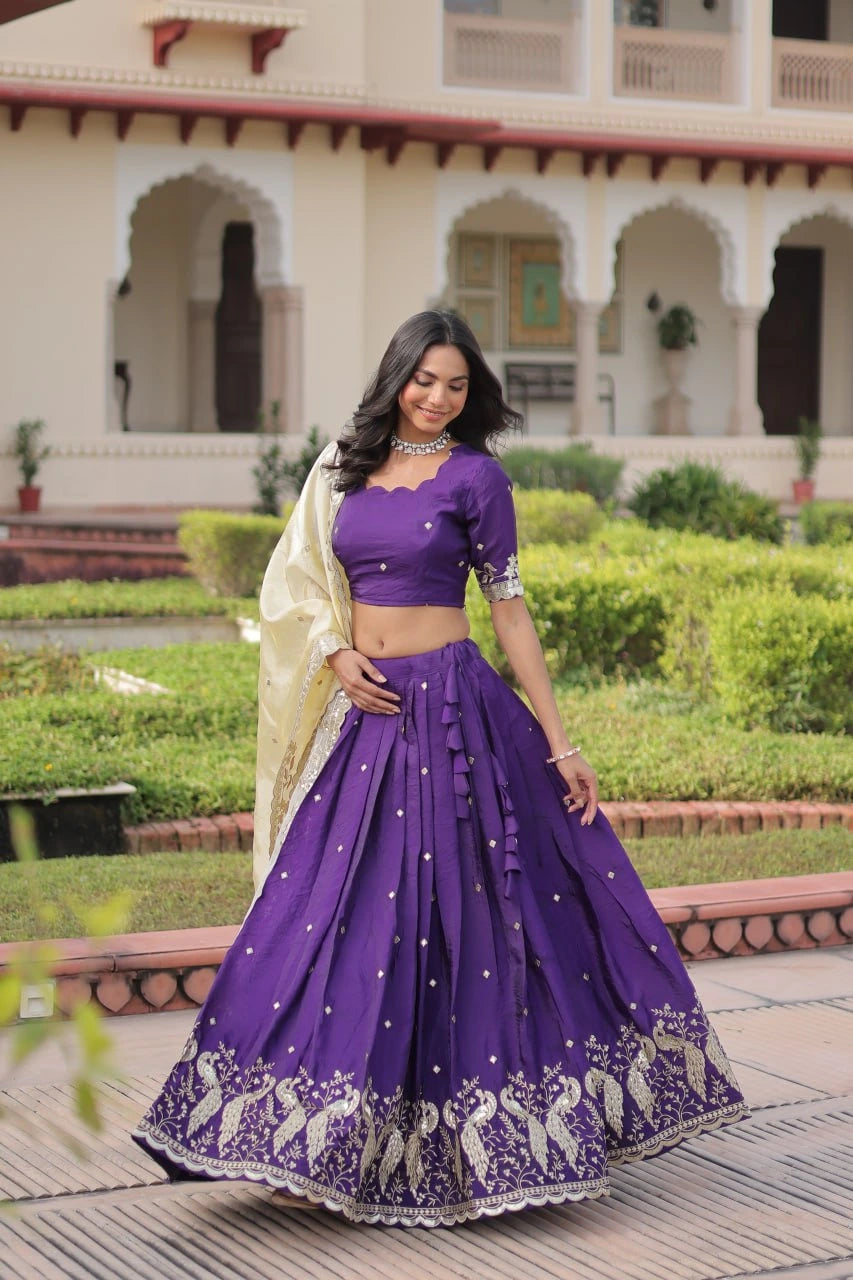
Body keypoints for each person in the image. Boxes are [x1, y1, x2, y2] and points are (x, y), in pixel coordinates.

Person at [132, 310, 748, 1227]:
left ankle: (477, 1141)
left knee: (474, 919)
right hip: (371, 717)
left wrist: (560, 739)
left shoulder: (476, 478)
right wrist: (338, 655)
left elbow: (508, 610)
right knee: (331, 913)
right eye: (425, 380)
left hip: (457, 715)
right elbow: (294, 586)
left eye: (456, 386)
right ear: (398, 379)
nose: (438, 398)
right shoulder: (343, 469)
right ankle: (310, 1134)